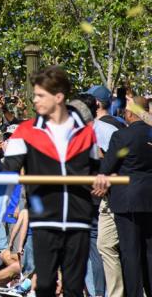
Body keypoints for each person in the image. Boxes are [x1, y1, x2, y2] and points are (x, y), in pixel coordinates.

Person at [2, 66, 108, 297]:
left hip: (78, 217)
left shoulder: (85, 132)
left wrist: (101, 177)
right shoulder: (25, 131)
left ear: (58, 97)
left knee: (73, 286)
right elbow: (7, 169)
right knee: (47, 284)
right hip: (44, 218)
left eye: (40, 95)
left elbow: (94, 168)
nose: (34, 99)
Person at [98, 95, 152, 297]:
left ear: (130, 113)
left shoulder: (122, 137)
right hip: (149, 199)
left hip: (127, 201)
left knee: (130, 253)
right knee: (149, 251)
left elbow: (109, 166)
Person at [88, 85, 125, 297]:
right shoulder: (119, 125)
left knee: (100, 249)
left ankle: (100, 293)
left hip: (103, 198)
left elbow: (108, 161)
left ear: (97, 104)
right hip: (121, 196)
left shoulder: (100, 129)